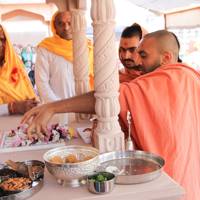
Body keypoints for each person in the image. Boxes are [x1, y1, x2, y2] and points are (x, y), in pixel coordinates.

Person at [22, 30, 200, 200]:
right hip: (188, 179)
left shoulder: (170, 78)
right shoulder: (189, 77)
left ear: (166, 58)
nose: (136, 60)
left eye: (143, 55)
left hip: (171, 184)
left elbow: (110, 98)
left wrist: (52, 108)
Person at [35, 11, 93, 124]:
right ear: (54, 26)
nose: (66, 28)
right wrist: (57, 107)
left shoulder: (88, 46)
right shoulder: (46, 48)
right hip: (57, 114)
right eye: (60, 24)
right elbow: (42, 83)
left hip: (86, 111)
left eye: (70, 23)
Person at [0, 25, 38, 115]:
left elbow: (28, 93)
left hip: (22, 123)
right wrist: (12, 107)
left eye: (2, 39)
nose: (0, 44)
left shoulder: (15, 64)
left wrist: (32, 104)